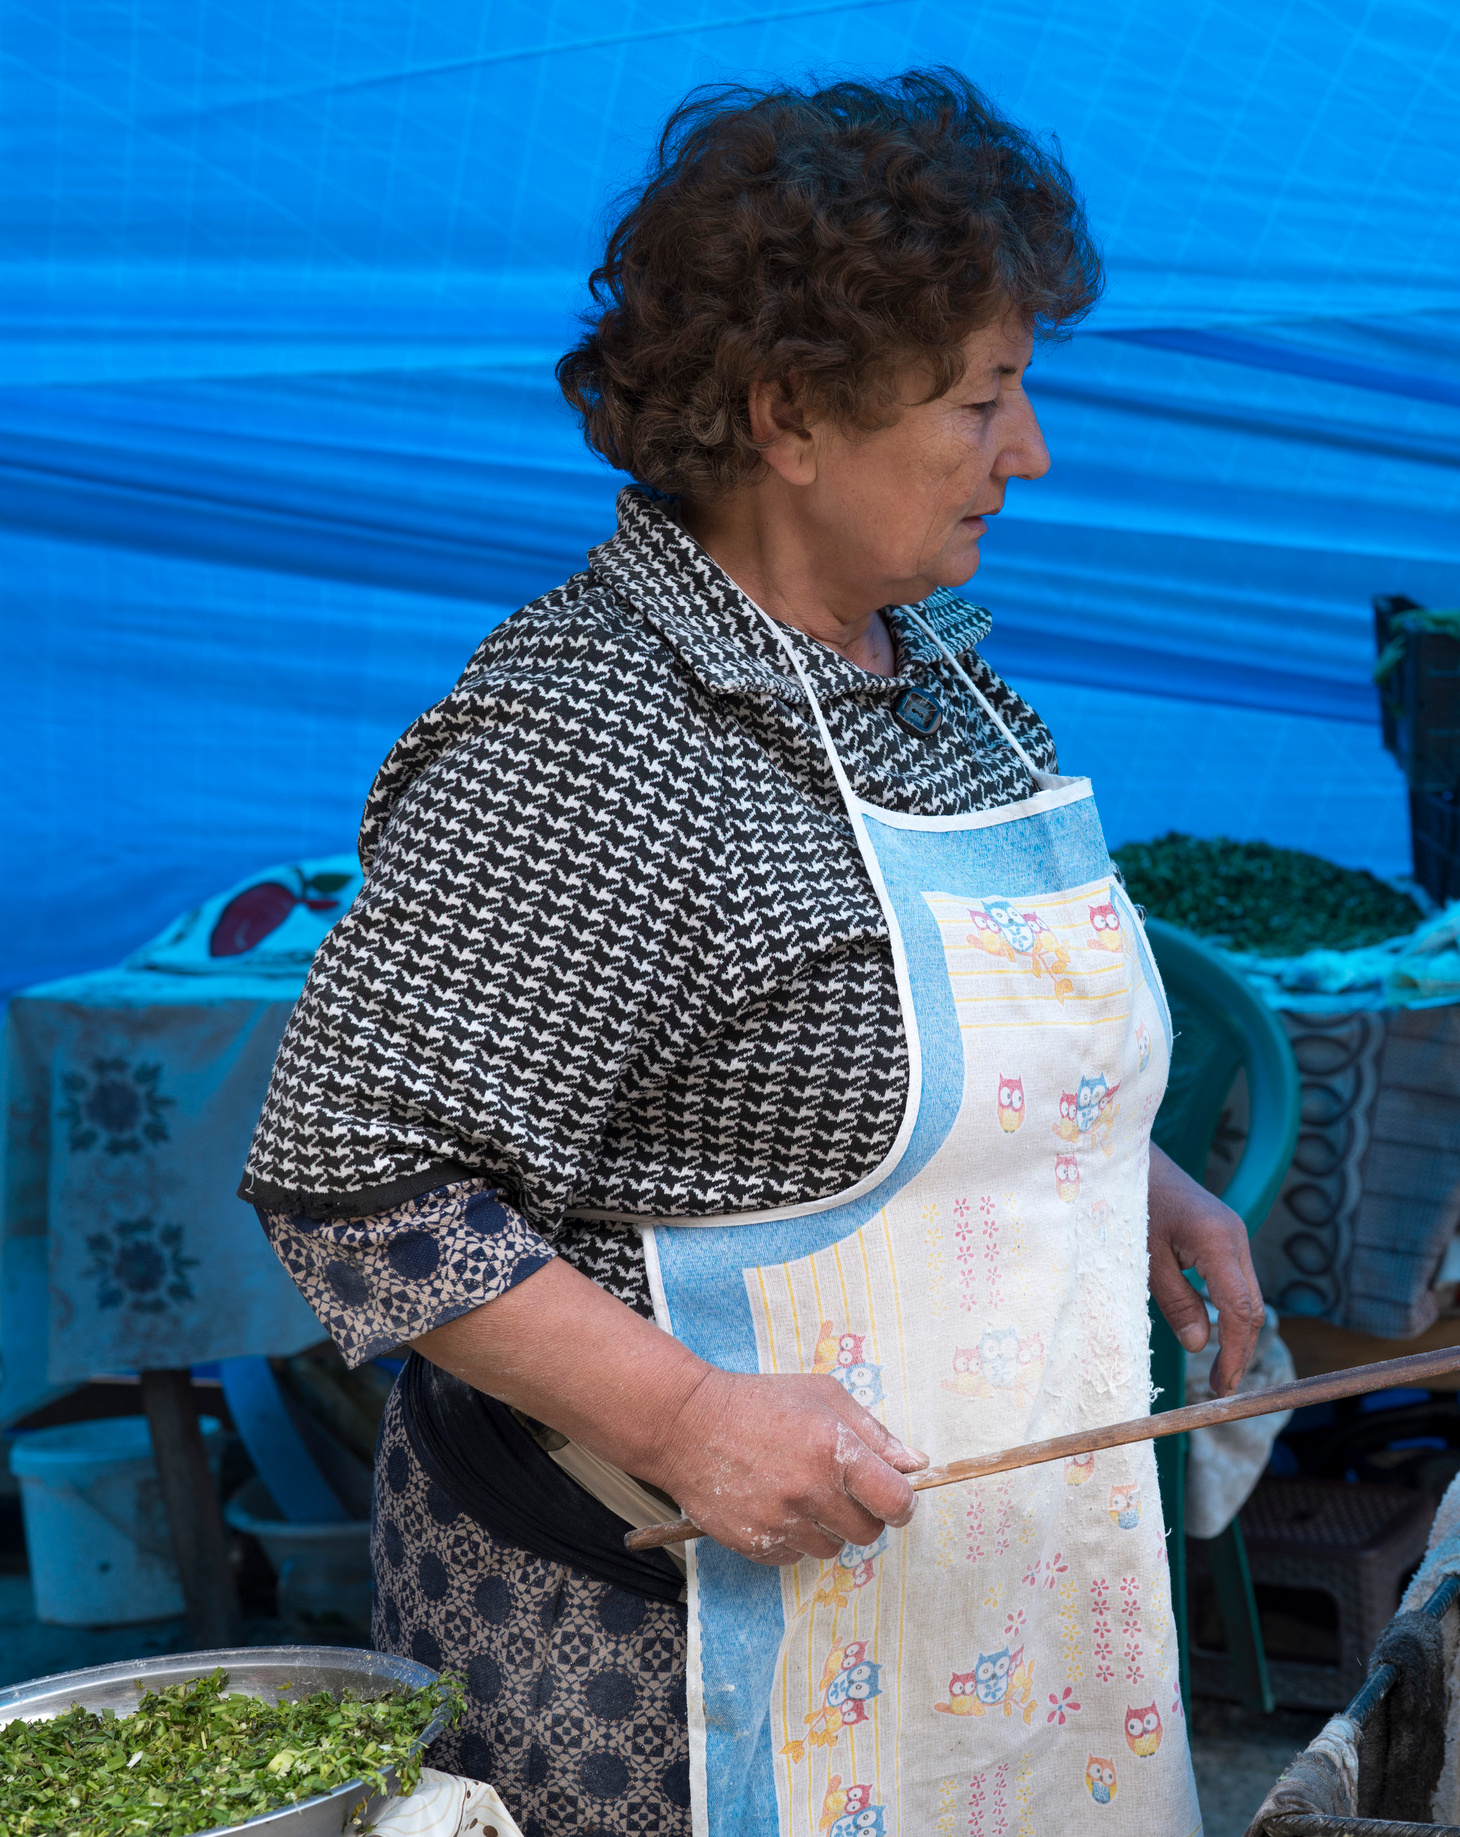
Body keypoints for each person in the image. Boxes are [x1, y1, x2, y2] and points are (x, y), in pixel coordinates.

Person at [241, 70, 1261, 1837]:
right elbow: (352, 1176)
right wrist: (690, 1417)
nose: (1029, 452)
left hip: (995, 1604)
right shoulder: (589, 735)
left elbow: (873, 1058)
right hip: (670, 1655)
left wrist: (1106, 1161)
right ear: (790, 414)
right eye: (982, 399)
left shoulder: (935, 679)